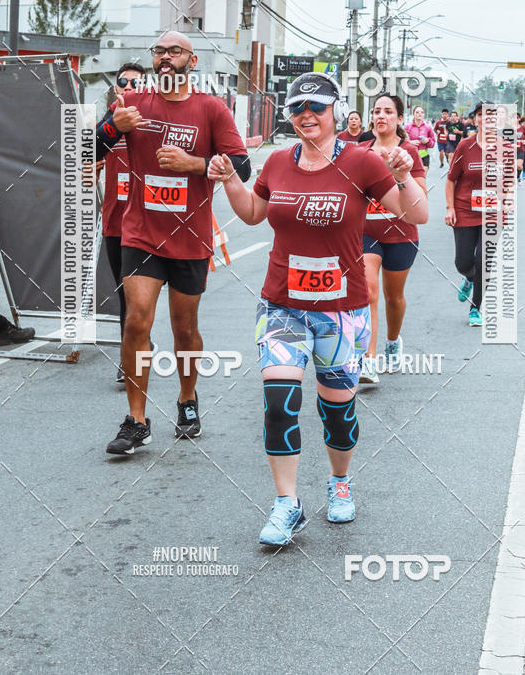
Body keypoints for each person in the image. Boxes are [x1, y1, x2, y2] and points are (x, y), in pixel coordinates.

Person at [207, 72, 428, 546]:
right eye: (297, 108)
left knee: (337, 412)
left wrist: (405, 175)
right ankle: (287, 503)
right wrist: (228, 180)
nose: (306, 115)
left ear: (335, 111)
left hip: (341, 310)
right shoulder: (277, 162)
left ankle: (339, 480)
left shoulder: (362, 161)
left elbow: (416, 214)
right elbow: (253, 214)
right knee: (279, 403)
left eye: (316, 107)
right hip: (282, 304)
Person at [96, 32, 250, 455]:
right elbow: (89, 148)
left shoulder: (211, 109)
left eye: (175, 51)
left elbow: (242, 167)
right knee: (136, 321)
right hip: (140, 233)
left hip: (189, 236)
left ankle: (186, 399)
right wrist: (113, 126)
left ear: (191, 60)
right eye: (160, 51)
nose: (166, 57)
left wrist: (195, 164)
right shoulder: (132, 103)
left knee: (184, 328)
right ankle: (136, 421)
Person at [359, 95, 427, 383]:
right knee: (368, 292)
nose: (381, 116)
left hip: (401, 234)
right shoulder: (361, 152)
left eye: (388, 111)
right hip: (366, 232)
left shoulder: (408, 151)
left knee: (394, 298)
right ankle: (369, 360)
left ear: (400, 118)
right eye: (377, 111)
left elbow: (420, 198)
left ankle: (392, 342)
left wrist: (401, 174)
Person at [95, 62, 146, 385]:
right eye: (124, 82)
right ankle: (134, 351)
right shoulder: (108, 122)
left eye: (136, 83)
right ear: (116, 88)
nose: (129, 87)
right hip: (115, 221)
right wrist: (90, 167)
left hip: (146, 223)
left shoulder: (153, 120)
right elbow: (87, 152)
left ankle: (133, 353)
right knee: (124, 294)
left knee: (137, 295)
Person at [445, 101, 497, 327]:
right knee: (463, 263)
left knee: (484, 261)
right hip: (465, 210)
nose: (487, 118)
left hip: (492, 214)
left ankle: (475, 308)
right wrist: (450, 208)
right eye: (481, 115)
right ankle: (469, 279)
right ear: (476, 119)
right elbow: (451, 179)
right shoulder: (465, 146)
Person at [405, 105, 435, 169]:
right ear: (413, 114)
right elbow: (400, 141)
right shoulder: (407, 126)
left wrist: (428, 141)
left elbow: (432, 144)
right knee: (412, 175)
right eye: (417, 112)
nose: (420, 114)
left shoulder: (428, 127)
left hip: (424, 156)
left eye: (422, 112)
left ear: (424, 114)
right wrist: (410, 142)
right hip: (411, 156)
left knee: (423, 174)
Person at [516, 114, 525, 182]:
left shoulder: (523, 128)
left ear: (519, 119)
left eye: (516, 117)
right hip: (510, 150)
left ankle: (518, 176)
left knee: (519, 166)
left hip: (520, 149)